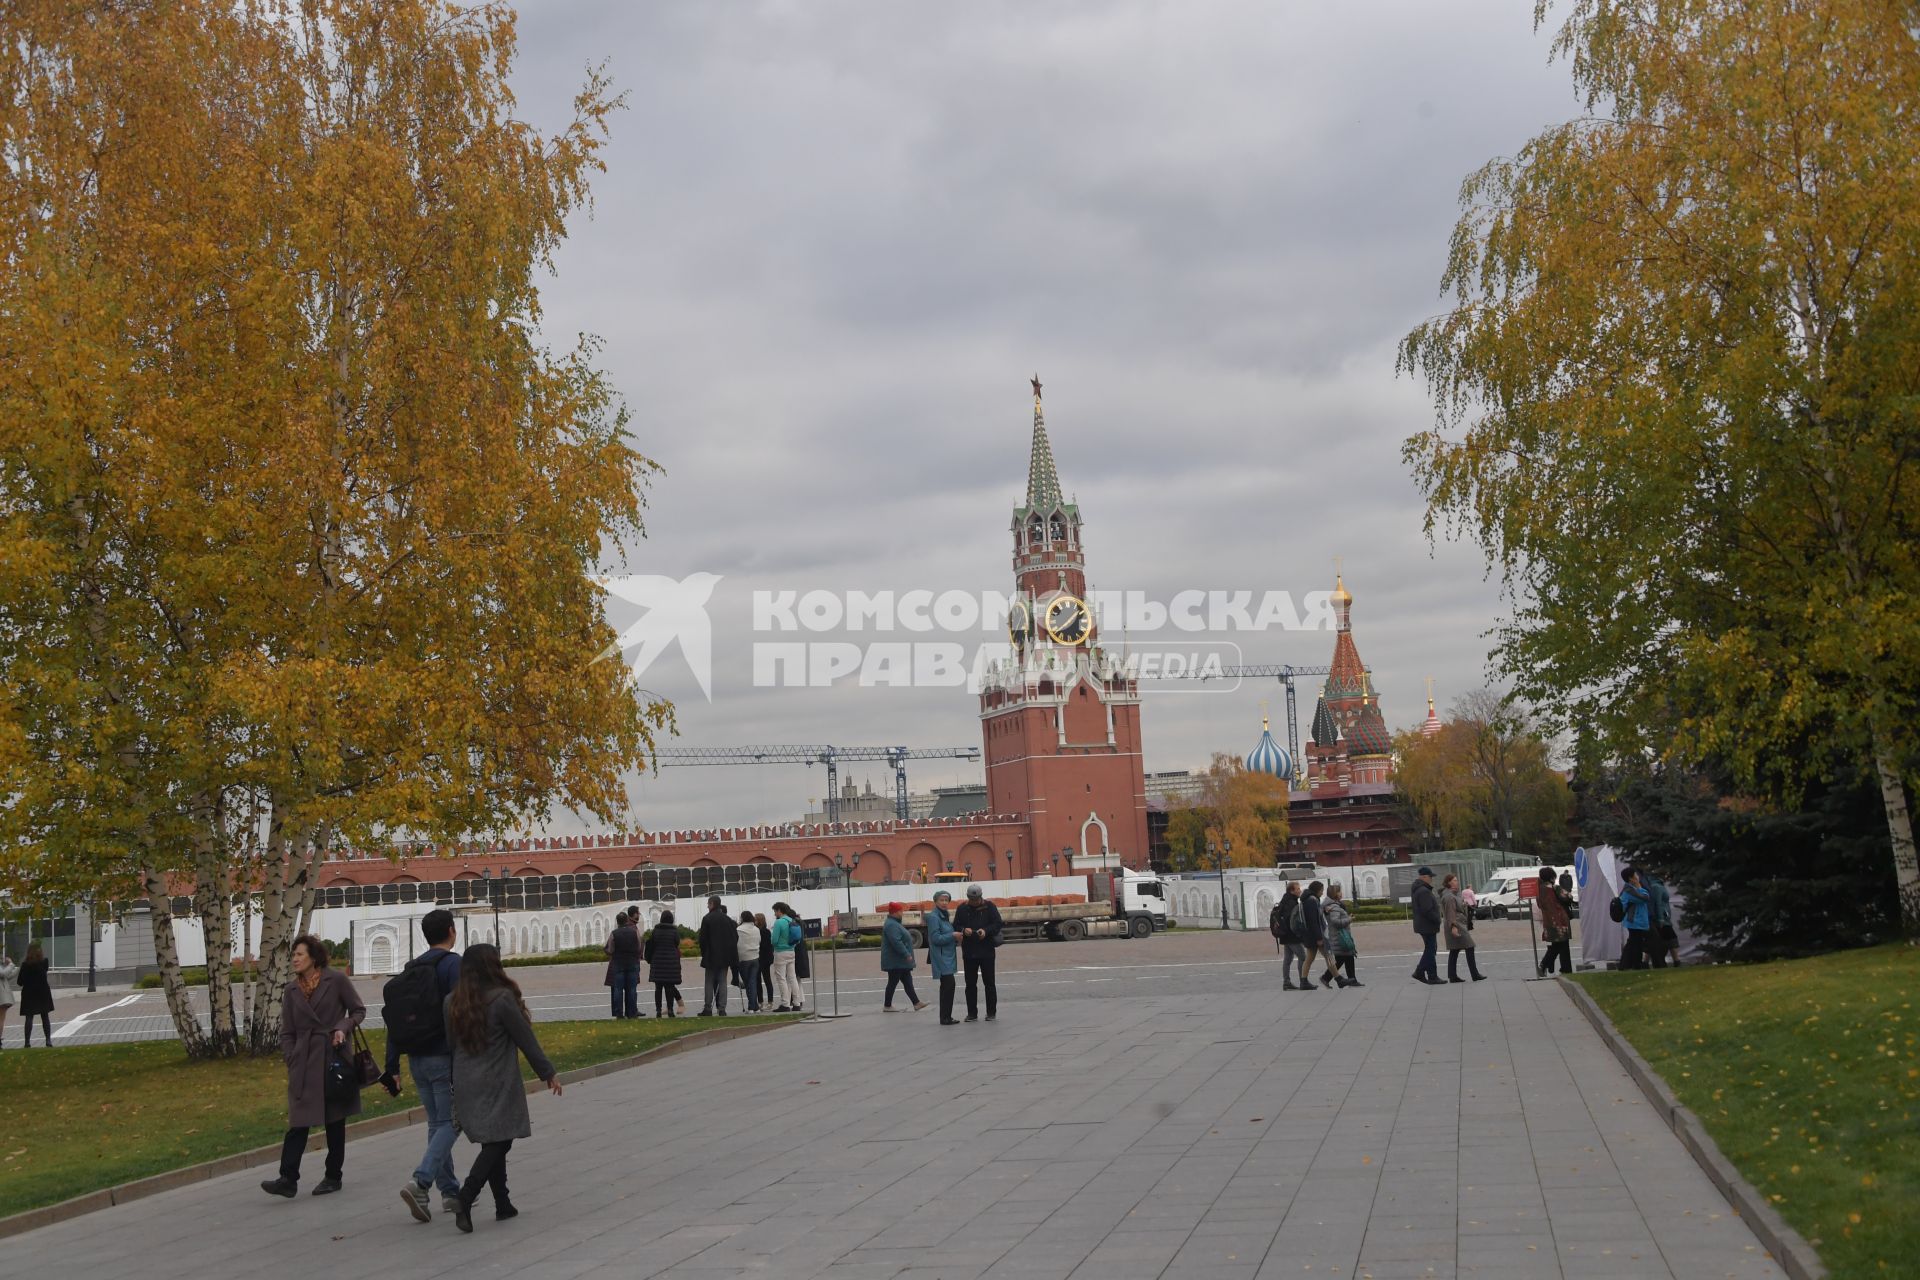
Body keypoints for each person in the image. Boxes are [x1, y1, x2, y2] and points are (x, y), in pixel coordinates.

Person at [444, 943, 562, 1233]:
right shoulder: (501, 999)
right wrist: (548, 1072)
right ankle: (466, 1195)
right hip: (496, 1078)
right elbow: (525, 1038)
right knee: (501, 1140)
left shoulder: (451, 1002)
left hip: (464, 1078)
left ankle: (503, 1204)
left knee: (492, 1140)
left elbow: (450, 1045)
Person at [261, 935, 365, 1198]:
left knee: (335, 1120)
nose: (294, 959)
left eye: (299, 954)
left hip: (333, 1058)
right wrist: (291, 1055)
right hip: (304, 1061)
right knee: (298, 1121)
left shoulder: (336, 980)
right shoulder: (291, 990)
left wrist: (341, 1028)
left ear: (314, 957)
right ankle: (288, 1178)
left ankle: (333, 1176)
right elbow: (287, 1030)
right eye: (293, 955)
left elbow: (358, 1011)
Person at [384, 908, 464, 1222]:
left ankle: (450, 1194)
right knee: (451, 1123)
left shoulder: (411, 968)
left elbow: (396, 1020)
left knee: (436, 1124)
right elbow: (460, 1011)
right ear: (451, 930)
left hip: (416, 1057)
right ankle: (421, 1181)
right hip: (443, 1055)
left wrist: (392, 1066)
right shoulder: (453, 965)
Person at [953, 884, 1003, 1022]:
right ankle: (972, 1014)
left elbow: (998, 923)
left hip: (987, 950)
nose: (974, 902)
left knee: (989, 983)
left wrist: (986, 931)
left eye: (976, 899)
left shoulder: (989, 906)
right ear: (968, 897)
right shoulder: (962, 908)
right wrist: (964, 930)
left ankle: (991, 1013)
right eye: (972, 899)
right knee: (970, 984)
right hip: (969, 951)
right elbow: (956, 925)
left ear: (981, 897)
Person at [879, 904, 927, 1012]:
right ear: (895, 912)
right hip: (896, 961)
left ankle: (916, 1003)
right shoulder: (892, 925)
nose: (902, 913)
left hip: (899, 961)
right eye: (900, 911)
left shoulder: (894, 923)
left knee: (907, 981)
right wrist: (906, 954)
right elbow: (896, 942)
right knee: (893, 982)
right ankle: (887, 1006)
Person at [696, 896, 737, 1016]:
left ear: (712, 904)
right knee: (723, 982)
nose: (707, 906)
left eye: (708, 904)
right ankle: (722, 1008)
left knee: (709, 981)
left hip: (711, 955)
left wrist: (705, 953)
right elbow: (735, 937)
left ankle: (708, 1008)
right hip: (725, 956)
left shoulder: (707, 918)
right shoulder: (728, 920)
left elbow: (702, 939)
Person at [1441, 873, 1486, 982]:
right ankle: (1474, 974)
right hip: (1457, 925)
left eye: (1456, 880)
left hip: (1458, 924)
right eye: (1455, 880)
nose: (1457, 882)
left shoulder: (1453, 895)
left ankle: (1452, 976)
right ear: (1449, 883)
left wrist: (1463, 905)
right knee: (1469, 946)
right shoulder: (1449, 896)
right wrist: (1453, 926)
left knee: (1455, 950)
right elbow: (1450, 912)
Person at [926, 891, 960, 1024]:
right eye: (941, 900)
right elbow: (935, 939)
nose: (944, 903)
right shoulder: (935, 917)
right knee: (948, 985)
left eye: (946, 900)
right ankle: (945, 1017)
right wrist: (952, 936)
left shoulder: (943, 916)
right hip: (941, 957)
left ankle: (946, 1016)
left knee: (948, 986)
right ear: (935, 901)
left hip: (947, 956)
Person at [1536, 867, 1574, 976]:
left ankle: (1566, 969)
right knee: (1559, 945)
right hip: (1560, 920)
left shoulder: (1539, 890)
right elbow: (1568, 896)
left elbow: (1540, 904)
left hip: (1548, 921)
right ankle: (1544, 964)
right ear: (1552, 877)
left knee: (1560, 944)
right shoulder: (1554, 887)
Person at [1323, 883, 1362, 987]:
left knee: (1346, 957)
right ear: (1335, 894)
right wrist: (1349, 919)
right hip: (1339, 937)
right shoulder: (1334, 907)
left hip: (1339, 936)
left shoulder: (1334, 905)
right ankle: (1326, 977)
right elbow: (1335, 922)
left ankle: (1351, 980)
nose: (1341, 893)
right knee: (1343, 958)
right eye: (1339, 891)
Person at [1617, 866, 1654, 970]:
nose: (1638, 876)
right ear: (1631, 878)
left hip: (1636, 921)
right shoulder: (1630, 890)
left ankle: (1632, 965)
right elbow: (1645, 897)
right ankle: (1628, 965)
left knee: (1635, 943)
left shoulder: (1631, 889)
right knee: (1634, 944)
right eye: (1635, 875)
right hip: (1634, 921)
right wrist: (1639, 886)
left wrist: (1638, 887)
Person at [770, 903, 805, 1012]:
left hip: (780, 952)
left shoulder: (779, 922)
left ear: (779, 910)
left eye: (775, 911)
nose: (775, 913)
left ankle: (785, 1004)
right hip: (791, 951)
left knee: (781, 978)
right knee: (792, 978)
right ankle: (796, 1003)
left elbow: (774, 940)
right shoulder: (792, 921)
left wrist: (776, 944)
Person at [1410, 867, 1443, 985]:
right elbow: (1427, 910)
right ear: (1424, 877)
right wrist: (1437, 919)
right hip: (1427, 925)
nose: (1431, 879)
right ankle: (1419, 971)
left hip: (1423, 924)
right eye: (1430, 877)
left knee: (1431, 948)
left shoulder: (1419, 889)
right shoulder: (1423, 891)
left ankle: (1432, 976)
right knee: (1430, 949)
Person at [648, 910, 684, 1017]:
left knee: (658, 988)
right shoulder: (674, 931)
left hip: (658, 962)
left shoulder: (656, 931)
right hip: (670, 963)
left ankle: (658, 1011)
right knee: (669, 987)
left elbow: (652, 944)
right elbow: (677, 943)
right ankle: (670, 1010)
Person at [607, 910, 642, 1019]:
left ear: (617, 922)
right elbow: (639, 946)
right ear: (627, 920)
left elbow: (610, 949)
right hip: (632, 963)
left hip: (618, 964)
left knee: (618, 989)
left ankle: (619, 1013)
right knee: (631, 989)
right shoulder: (634, 931)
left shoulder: (614, 933)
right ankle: (631, 1013)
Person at [1301, 881, 1336, 989]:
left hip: (1311, 935)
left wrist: (1324, 911)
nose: (1322, 893)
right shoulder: (1312, 901)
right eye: (1321, 890)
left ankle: (1304, 981)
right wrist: (1319, 938)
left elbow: (1316, 916)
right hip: (1315, 935)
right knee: (1327, 955)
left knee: (1310, 958)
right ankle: (1338, 978)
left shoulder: (1309, 899)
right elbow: (1313, 921)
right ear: (1317, 890)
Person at [16, 944, 52, 1047]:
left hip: (29, 994)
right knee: (45, 1016)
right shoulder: (45, 962)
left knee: (29, 1017)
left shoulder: (25, 965)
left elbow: (20, 982)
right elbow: (44, 973)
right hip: (43, 992)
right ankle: (48, 1040)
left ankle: (27, 1042)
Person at [1275, 882, 1308, 990]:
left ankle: (1286, 982)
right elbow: (1293, 921)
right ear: (1291, 891)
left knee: (1288, 959)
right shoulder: (1291, 903)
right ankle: (1303, 981)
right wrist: (1299, 933)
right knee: (1303, 957)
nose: (1300, 890)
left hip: (1284, 935)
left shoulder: (1285, 901)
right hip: (1292, 935)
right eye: (1298, 889)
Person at [1643, 869, 1678, 968]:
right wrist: (1661, 919)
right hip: (1663, 919)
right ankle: (1676, 961)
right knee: (1671, 939)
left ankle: (1645, 962)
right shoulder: (1657, 887)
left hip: (1663, 917)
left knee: (1655, 940)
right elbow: (1658, 904)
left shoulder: (1656, 886)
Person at [734, 910, 763, 1013]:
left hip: (743, 958)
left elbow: (736, 944)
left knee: (748, 983)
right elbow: (759, 941)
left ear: (742, 918)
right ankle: (755, 1006)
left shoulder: (739, 929)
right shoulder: (756, 929)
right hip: (755, 957)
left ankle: (752, 1007)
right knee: (752, 982)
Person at [754, 911, 775, 1007]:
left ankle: (765, 1001)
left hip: (762, 958)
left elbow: (766, 946)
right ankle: (764, 1001)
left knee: (764, 980)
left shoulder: (763, 932)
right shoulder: (765, 931)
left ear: (759, 921)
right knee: (764, 980)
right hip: (763, 958)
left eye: (755, 920)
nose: (754, 921)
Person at [0, 950, 19, 1049]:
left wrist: (17, 969)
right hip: (1, 996)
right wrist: (11, 964)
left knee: (1, 1018)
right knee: (1, 1018)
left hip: (3, 995)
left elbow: (6, 977)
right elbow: (3, 974)